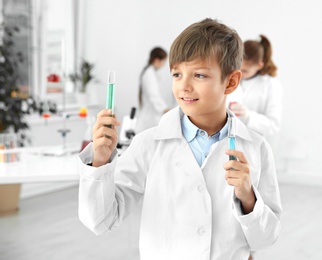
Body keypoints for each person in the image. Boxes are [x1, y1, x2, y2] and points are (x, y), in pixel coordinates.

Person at [78, 18, 282, 259]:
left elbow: (265, 238)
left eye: (199, 75)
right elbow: (100, 221)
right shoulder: (148, 145)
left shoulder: (257, 148)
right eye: (177, 74)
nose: (183, 86)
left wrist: (248, 196)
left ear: (231, 81)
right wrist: (99, 164)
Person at [228, 35, 283, 139]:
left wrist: (248, 116)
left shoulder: (271, 85)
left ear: (259, 65)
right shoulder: (231, 79)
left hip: (255, 145)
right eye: (238, 68)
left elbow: (274, 126)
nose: (240, 74)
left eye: (245, 71)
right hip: (229, 141)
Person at [135, 47, 170, 134]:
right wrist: (165, 109)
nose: (163, 64)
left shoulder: (152, 72)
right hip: (149, 118)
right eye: (163, 61)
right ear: (157, 60)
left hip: (151, 116)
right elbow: (153, 96)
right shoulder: (149, 73)